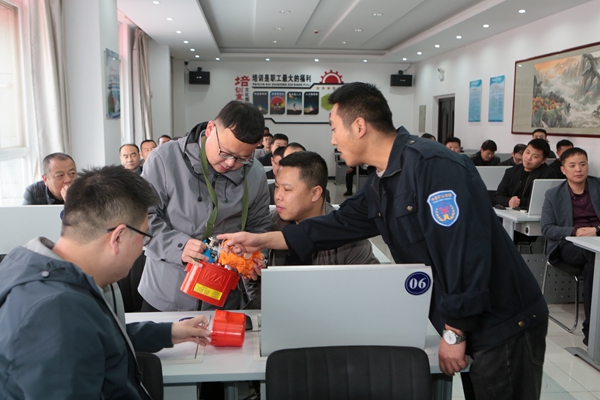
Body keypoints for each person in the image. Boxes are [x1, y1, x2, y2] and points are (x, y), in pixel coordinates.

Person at [219, 82, 548, 400]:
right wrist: (260, 240)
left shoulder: (433, 166)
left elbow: (464, 250)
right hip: (471, 320)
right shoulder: (384, 179)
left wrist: (455, 331)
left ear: (359, 126)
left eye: (334, 128)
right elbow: (336, 224)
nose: (332, 140)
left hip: (503, 321)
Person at [0, 165, 210, 399]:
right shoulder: (56, 311)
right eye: (144, 236)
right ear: (118, 237)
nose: (142, 247)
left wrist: (167, 332)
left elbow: (98, 336)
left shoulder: (42, 270)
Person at [139, 101, 270, 312]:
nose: (230, 163)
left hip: (223, 298)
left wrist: (252, 254)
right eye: (225, 153)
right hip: (166, 295)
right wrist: (179, 246)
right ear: (210, 129)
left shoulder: (255, 173)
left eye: (242, 158)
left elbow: (260, 226)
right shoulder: (164, 159)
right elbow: (142, 218)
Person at [270, 151, 378, 266]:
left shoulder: (347, 235)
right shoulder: (270, 223)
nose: (277, 196)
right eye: (276, 187)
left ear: (315, 193)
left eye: (287, 189)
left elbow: (369, 275)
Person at [541, 147, 599, 347]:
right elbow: (547, 229)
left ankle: (593, 328)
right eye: (572, 165)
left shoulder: (598, 186)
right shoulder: (553, 194)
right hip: (569, 245)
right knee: (594, 259)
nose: (578, 169)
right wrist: (576, 231)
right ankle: (593, 329)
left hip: (597, 240)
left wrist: (596, 230)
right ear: (563, 169)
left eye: (582, 164)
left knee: (593, 264)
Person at [494, 139, 558, 210]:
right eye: (527, 152)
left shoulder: (549, 174)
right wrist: (508, 201)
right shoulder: (511, 171)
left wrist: (519, 202)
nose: (528, 158)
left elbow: (542, 201)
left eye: (535, 156)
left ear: (543, 160)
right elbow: (498, 196)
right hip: (508, 213)